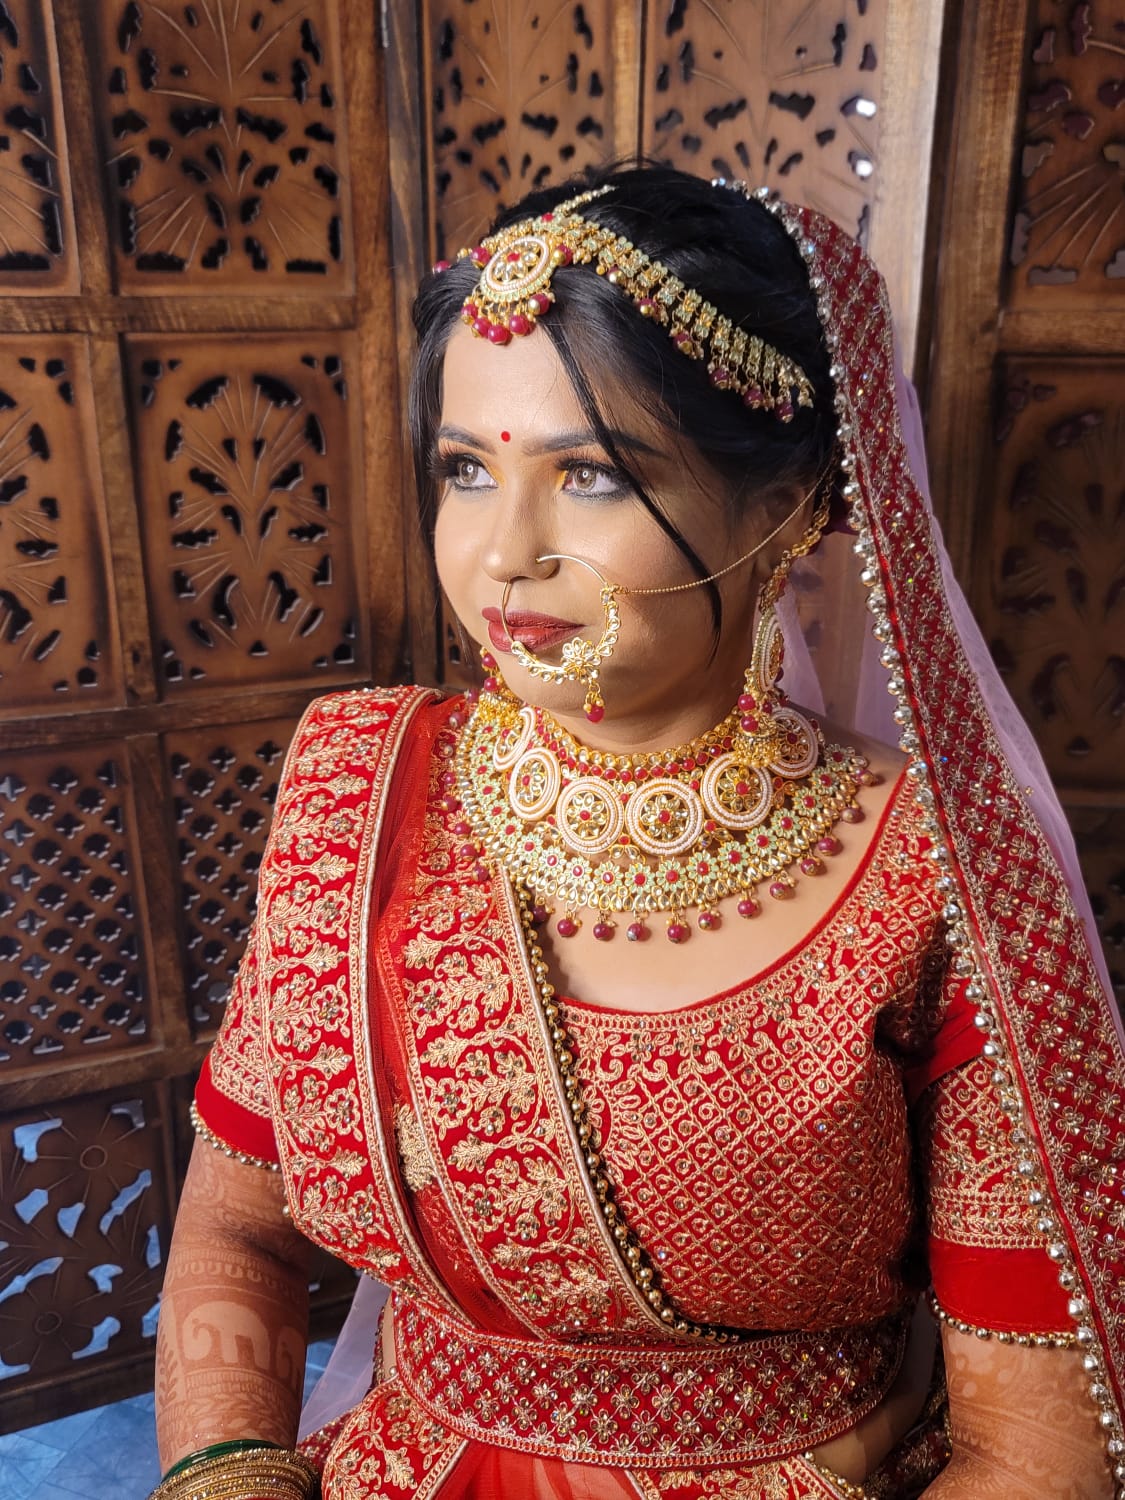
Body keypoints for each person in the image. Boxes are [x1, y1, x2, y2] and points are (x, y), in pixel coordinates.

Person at [151, 166, 1124, 1500]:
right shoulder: (363, 798)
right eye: (464, 470)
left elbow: (1040, 1451)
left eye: (591, 476)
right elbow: (236, 1238)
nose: (505, 552)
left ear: (791, 506)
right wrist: (228, 1478)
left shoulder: (938, 874)